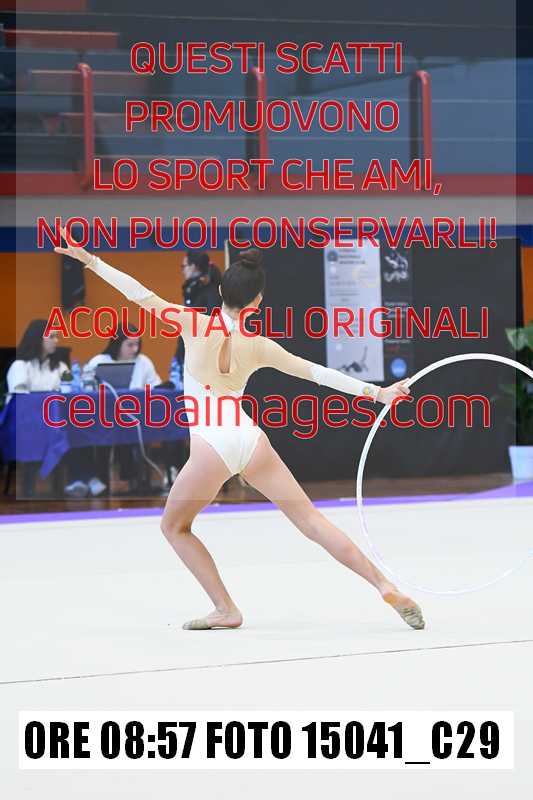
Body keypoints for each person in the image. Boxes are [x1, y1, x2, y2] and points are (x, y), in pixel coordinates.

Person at [55, 228, 425, 632]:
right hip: (250, 439)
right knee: (311, 521)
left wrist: (90, 260)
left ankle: (225, 608)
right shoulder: (261, 345)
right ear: (256, 302)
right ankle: (383, 584)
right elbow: (318, 373)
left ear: (219, 291)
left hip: (211, 445)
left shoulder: (192, 323)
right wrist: (378, 393)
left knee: (174, 527)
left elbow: (139, 294)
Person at [84, 325, 161, 390]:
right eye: (130, 345)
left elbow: (156, 388)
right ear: (117, 344)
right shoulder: (98, 362)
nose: (135, 349)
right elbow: (87, 389)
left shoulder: (144, 361)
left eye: (137, 344)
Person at [6, 319, 68, 394]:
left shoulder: (61, 366)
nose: (56, 340)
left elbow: (72, 390)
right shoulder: (20, 365)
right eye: (51, 337)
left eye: (56, 336)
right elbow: (21, 398)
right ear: (37, 338)